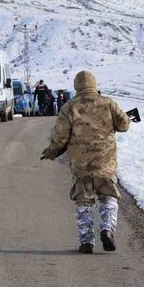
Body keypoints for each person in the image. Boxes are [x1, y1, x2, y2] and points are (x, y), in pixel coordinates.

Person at [39, 70, 131, 254]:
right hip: (105, 162)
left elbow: (60, 137)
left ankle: (86, 241)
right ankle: (107, 229)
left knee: (84, 202)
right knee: (108, 197)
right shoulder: (108, 103)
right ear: (94, 84)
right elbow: (124, 125)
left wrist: (51, 152)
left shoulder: (69, 107)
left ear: (76, 86)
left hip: (81, 165)